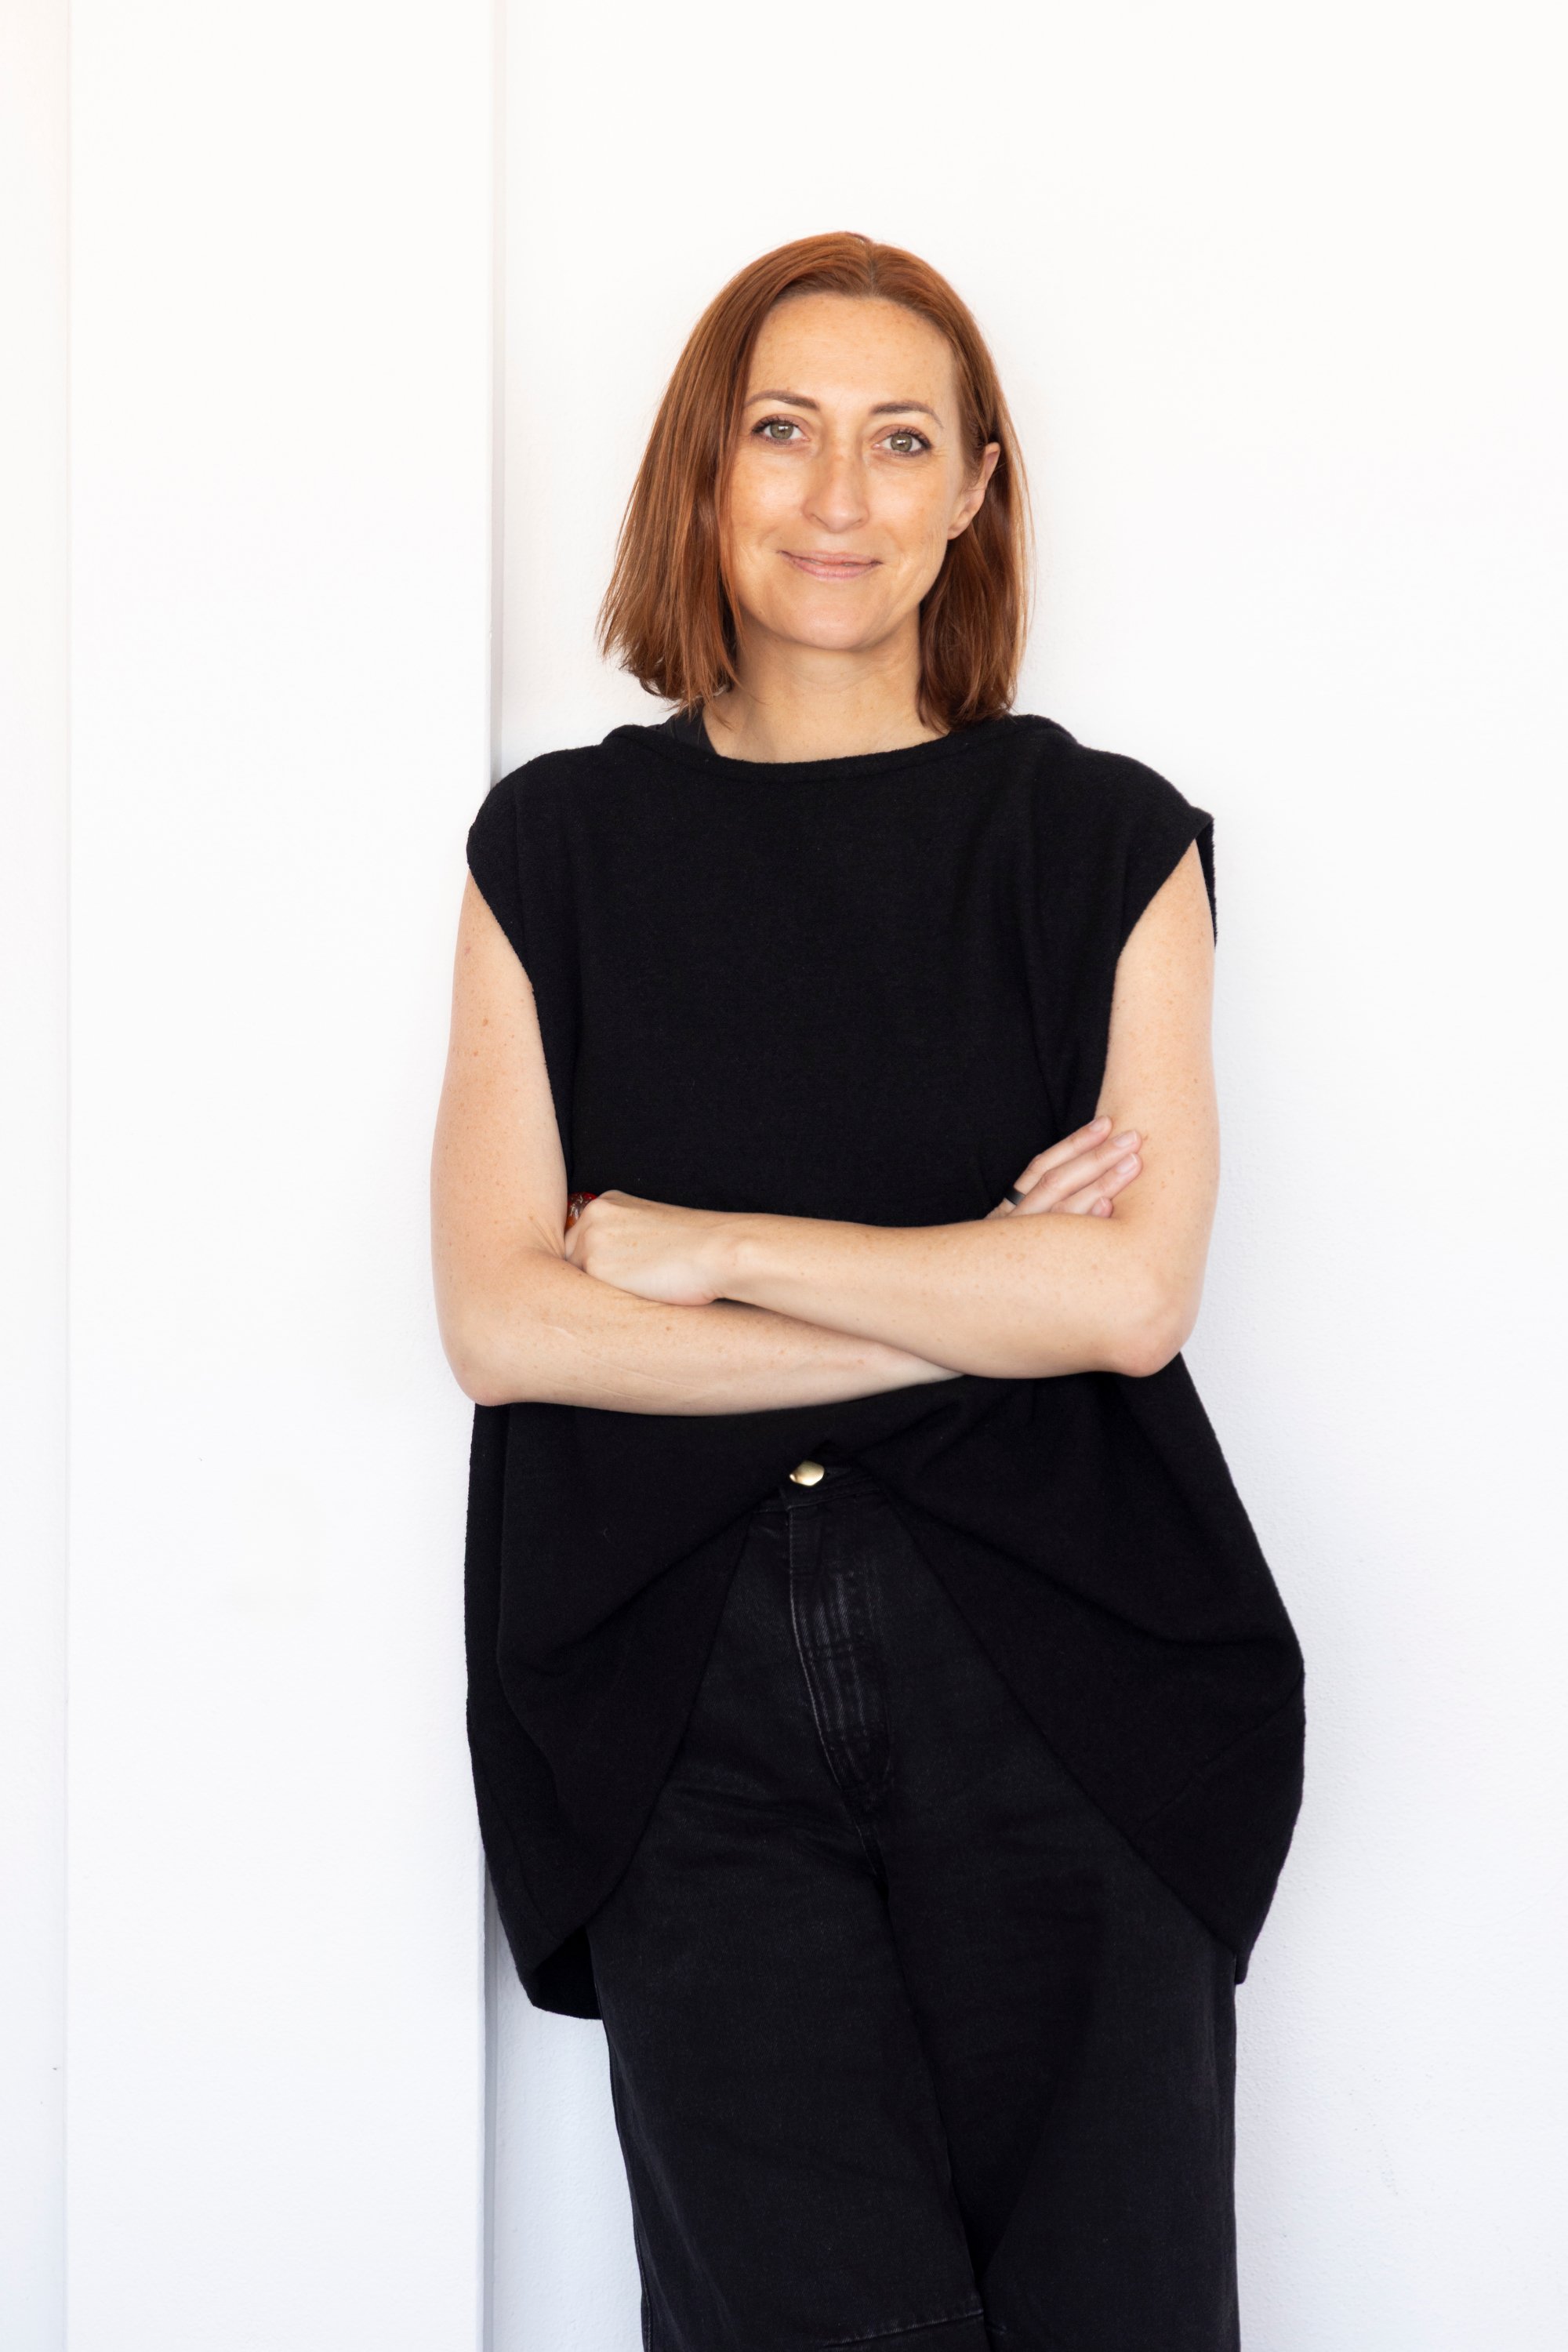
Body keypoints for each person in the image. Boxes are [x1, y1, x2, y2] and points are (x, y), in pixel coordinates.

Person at [431, 230, 1304, 2352]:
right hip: (677, 1703)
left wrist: (707, 1249)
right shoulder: (552, 849)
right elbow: (508, 1323)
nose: (840, 496)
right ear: (703, 477)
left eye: (901, 440)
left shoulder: (1102, 843)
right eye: (785, 433)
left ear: (974, 490)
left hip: (1074, 1675)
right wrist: (968, 1295)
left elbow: (1130, 1307)